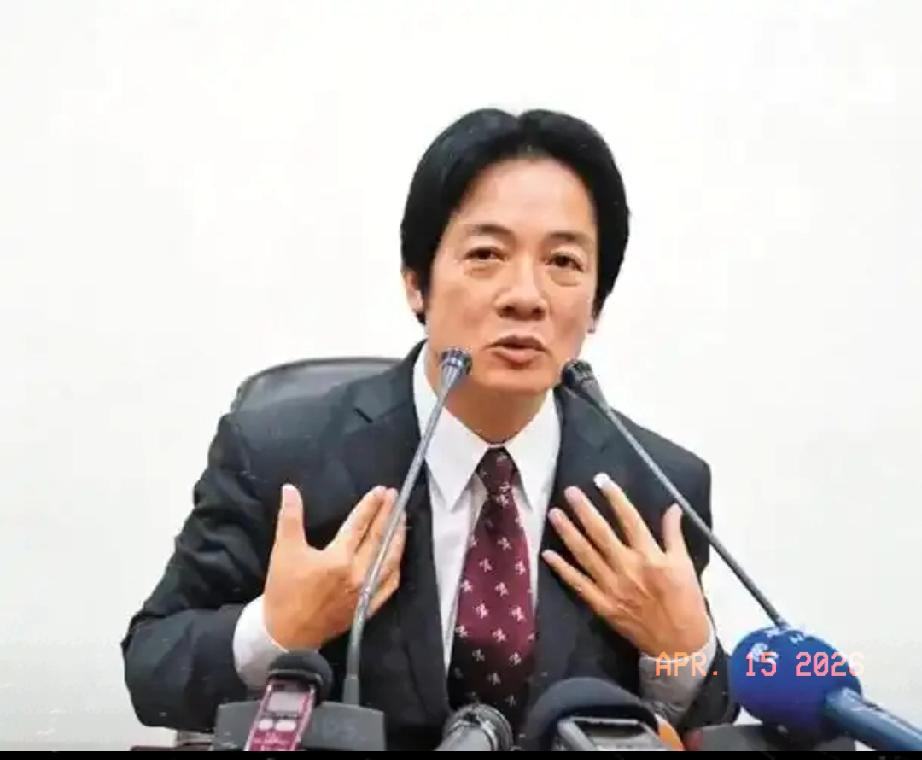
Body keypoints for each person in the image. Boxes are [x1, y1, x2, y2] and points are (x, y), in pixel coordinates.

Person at [121, 107, 740, 750]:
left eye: (563, 262)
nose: (526, 296)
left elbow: (705, 718)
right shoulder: (283, 457)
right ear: (416, 283)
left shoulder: (653, 485)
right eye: (486, 254)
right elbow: (151, 665)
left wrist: (681, 655)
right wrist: (276, 631)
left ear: (596, 306)